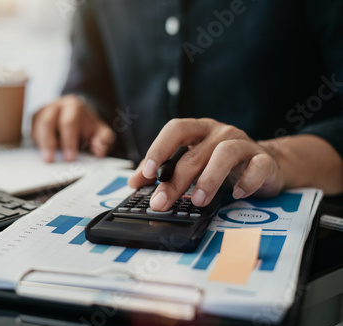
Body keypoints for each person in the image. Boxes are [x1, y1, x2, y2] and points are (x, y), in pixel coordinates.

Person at [32, 0, 343, 211]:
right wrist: (79, 109)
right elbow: (93, 90)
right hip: (137, 214)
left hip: (289, 226)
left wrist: (276, 156)